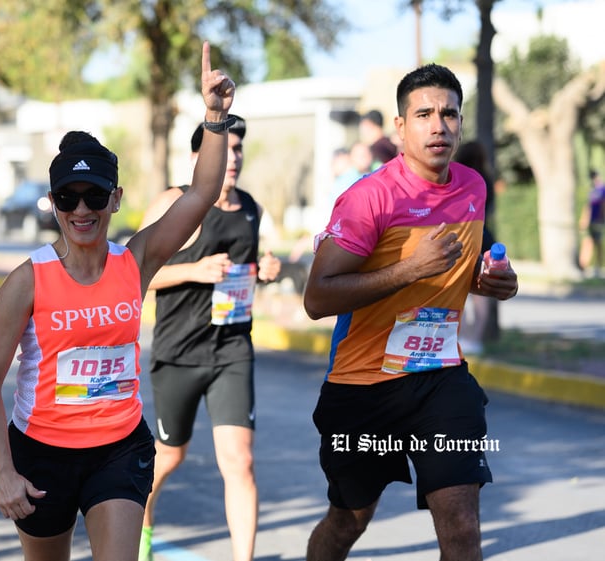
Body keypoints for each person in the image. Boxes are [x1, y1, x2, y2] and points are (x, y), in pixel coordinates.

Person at [0, 41, 236, 561]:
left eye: (95, 195)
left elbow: (202, 192)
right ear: (54, 205)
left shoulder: (134, 261)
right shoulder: (27, 281)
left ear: (115, 199)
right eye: (68, 198)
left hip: (119, 448)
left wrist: (214, 117)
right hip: (42, 454)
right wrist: (4, 473)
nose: (82, 209)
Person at [302, 63, 519, 561]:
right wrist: (407, 270)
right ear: (400, 127)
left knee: (462, 526)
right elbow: (318, 298)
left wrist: (493, 284)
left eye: (449, 114)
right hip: (363, 388)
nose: (438, 125)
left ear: (461, 123)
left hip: (441, 379)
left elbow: (459, 273)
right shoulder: (369, 198)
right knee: (348, 520)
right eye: (424, 114)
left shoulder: (472, 188)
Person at [137, 114, 282, 561]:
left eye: (238, 149)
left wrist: (267, 272)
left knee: (240, 461)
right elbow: (134, 272)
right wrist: (193, 271)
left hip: (233, 350)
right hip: (178, 353)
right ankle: (139, 530)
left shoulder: (252, 209)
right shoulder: (174, 202)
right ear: (199, 156)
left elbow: (244, 271)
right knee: (170, 456)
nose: (232, 158)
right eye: (224, 149)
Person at [454, 140, 499, 354]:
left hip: (464, 235)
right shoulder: (487, 180)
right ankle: (476, 337)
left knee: (457, 288)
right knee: (481, 292)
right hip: (485, 236)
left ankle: (459, 335)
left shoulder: (459, 179)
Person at [579, 169, 605, 276]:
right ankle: (583, 266)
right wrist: (584, 219)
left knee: (598, 244)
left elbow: (603, 205)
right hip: (592, 221)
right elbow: (588, 206)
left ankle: (598, 267)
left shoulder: (603, 189)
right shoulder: (592, 190)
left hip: (599, 221)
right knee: (587, 242)